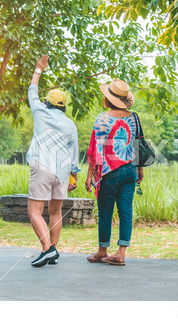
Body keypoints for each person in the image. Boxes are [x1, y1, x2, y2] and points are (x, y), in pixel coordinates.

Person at [27, 55, 79, 267]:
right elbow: (74, 152)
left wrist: (39, 70)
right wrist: (73, 176)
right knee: (55, 212)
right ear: (64, 106)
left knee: (34, 212)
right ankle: (52, 251)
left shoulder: (40, 112)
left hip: (42, 168)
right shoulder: (70, 125)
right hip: (62, 172)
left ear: (47, 102)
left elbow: (32, 91)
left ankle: (48, 249)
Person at [85, 78, 144, 266]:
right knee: (126, 210)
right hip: (130, 170)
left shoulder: (101, 118)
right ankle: (121, 253)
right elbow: (138, 142)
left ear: (107, 99)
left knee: (105, 212)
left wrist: (89, 176)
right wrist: (139, 168)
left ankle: (103, 250)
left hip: (108, 172)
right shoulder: (134, 117)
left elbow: (94, 150)